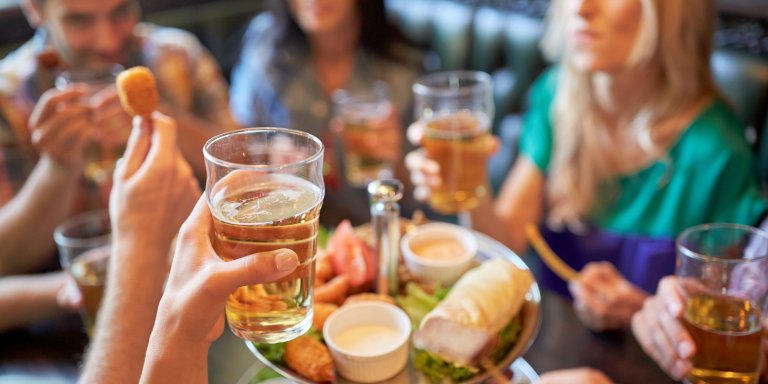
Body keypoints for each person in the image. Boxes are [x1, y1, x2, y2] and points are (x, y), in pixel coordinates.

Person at [405, 0, 768, 331]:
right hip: (549, 343)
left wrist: (642, 312)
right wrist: (470, 187)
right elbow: (505, 243)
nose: (580, 7)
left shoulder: (716, 149)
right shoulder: (556, 95)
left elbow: (727, 328)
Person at [0, 0, 237, 330]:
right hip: (68, 323)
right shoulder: (8, 95)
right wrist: (58, 169)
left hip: (196, 293)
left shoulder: (178, 56)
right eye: (80, 21)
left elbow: (246, 174)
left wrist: (164, 119)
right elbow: (6, 259)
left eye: (121, 12)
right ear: (35, 11)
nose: (108, 41)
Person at [230, 0, 424, 227]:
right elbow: (238, 142)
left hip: (372, 228)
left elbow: (419, 192)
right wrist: (268, 158)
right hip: (288, 225)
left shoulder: (401, 70)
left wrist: (393, 164)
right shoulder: (266, 46)